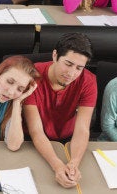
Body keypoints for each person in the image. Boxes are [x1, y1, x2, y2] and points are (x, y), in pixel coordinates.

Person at [24, 33, 96, 188]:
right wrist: (57, 165)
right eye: (68, 64)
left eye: (79, 68)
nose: (71, 73)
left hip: (66, 139)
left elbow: (82, 129)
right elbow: (36, 131)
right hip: (31, 141)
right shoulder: (32, 76)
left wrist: (74, 163)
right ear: (55, 55)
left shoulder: (88, 81)